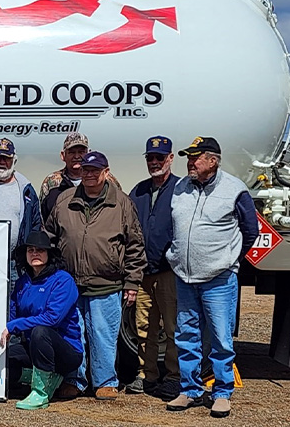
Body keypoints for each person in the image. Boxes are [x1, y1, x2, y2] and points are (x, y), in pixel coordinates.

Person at [165, 137, 258, 419]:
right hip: (185, 276)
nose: (190, 163)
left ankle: (221, 393)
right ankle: (190, 390)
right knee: (186, 335)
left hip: (219, 278)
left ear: (213, 161)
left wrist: (229, 261)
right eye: (188, 158)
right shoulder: (182, 186)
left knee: (220, 338)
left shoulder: (234, 190)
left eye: (196, 158)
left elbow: (250, 231)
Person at [44, 151, 146, 401]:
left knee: (103, 334)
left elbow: (135, 244)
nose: (89, 175)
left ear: (106, 172)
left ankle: (105, 381)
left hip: (107, 283)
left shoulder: (121, 202)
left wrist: (132, 282)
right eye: (85, 170)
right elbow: (49, 237)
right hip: (70, 285)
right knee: (72, 334)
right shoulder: (65, 200)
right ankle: (74, 380)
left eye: (94, 170)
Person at [0, 230, 83, 410]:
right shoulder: (23, 282)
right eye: (30, 250)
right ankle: (45, 379)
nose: (35, 253)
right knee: (5, 362)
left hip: (65, 351)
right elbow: (12, 314)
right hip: (33, 348)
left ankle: (41, 391)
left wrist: (13, 326)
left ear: (49, 254)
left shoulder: (63, 280)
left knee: (40, 331)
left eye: (40, 250)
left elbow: (52, 319)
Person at [127, 136, 181, 399]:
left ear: (171, 158)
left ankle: (174, 376)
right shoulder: (138, 191)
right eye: (151, 158)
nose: (155, 162)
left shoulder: (183, 189)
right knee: (144, 327)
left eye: (160, 157)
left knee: (172, 328)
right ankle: (146, 374)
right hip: (142, 272)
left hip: (170, 272)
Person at [0, 138, 43, 260]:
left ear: (14, 161)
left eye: (6, 158)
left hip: (16, 263)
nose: (2, 162)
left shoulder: (26, 190)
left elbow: (35, 224)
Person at [40, 132, 122, 220]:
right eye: (72, 152)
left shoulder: (107, 179)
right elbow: (42, 217)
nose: (77, 156)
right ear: (63, 155)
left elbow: (121, 207)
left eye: (81, 152)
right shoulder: (51, 182)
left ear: (89, 153)